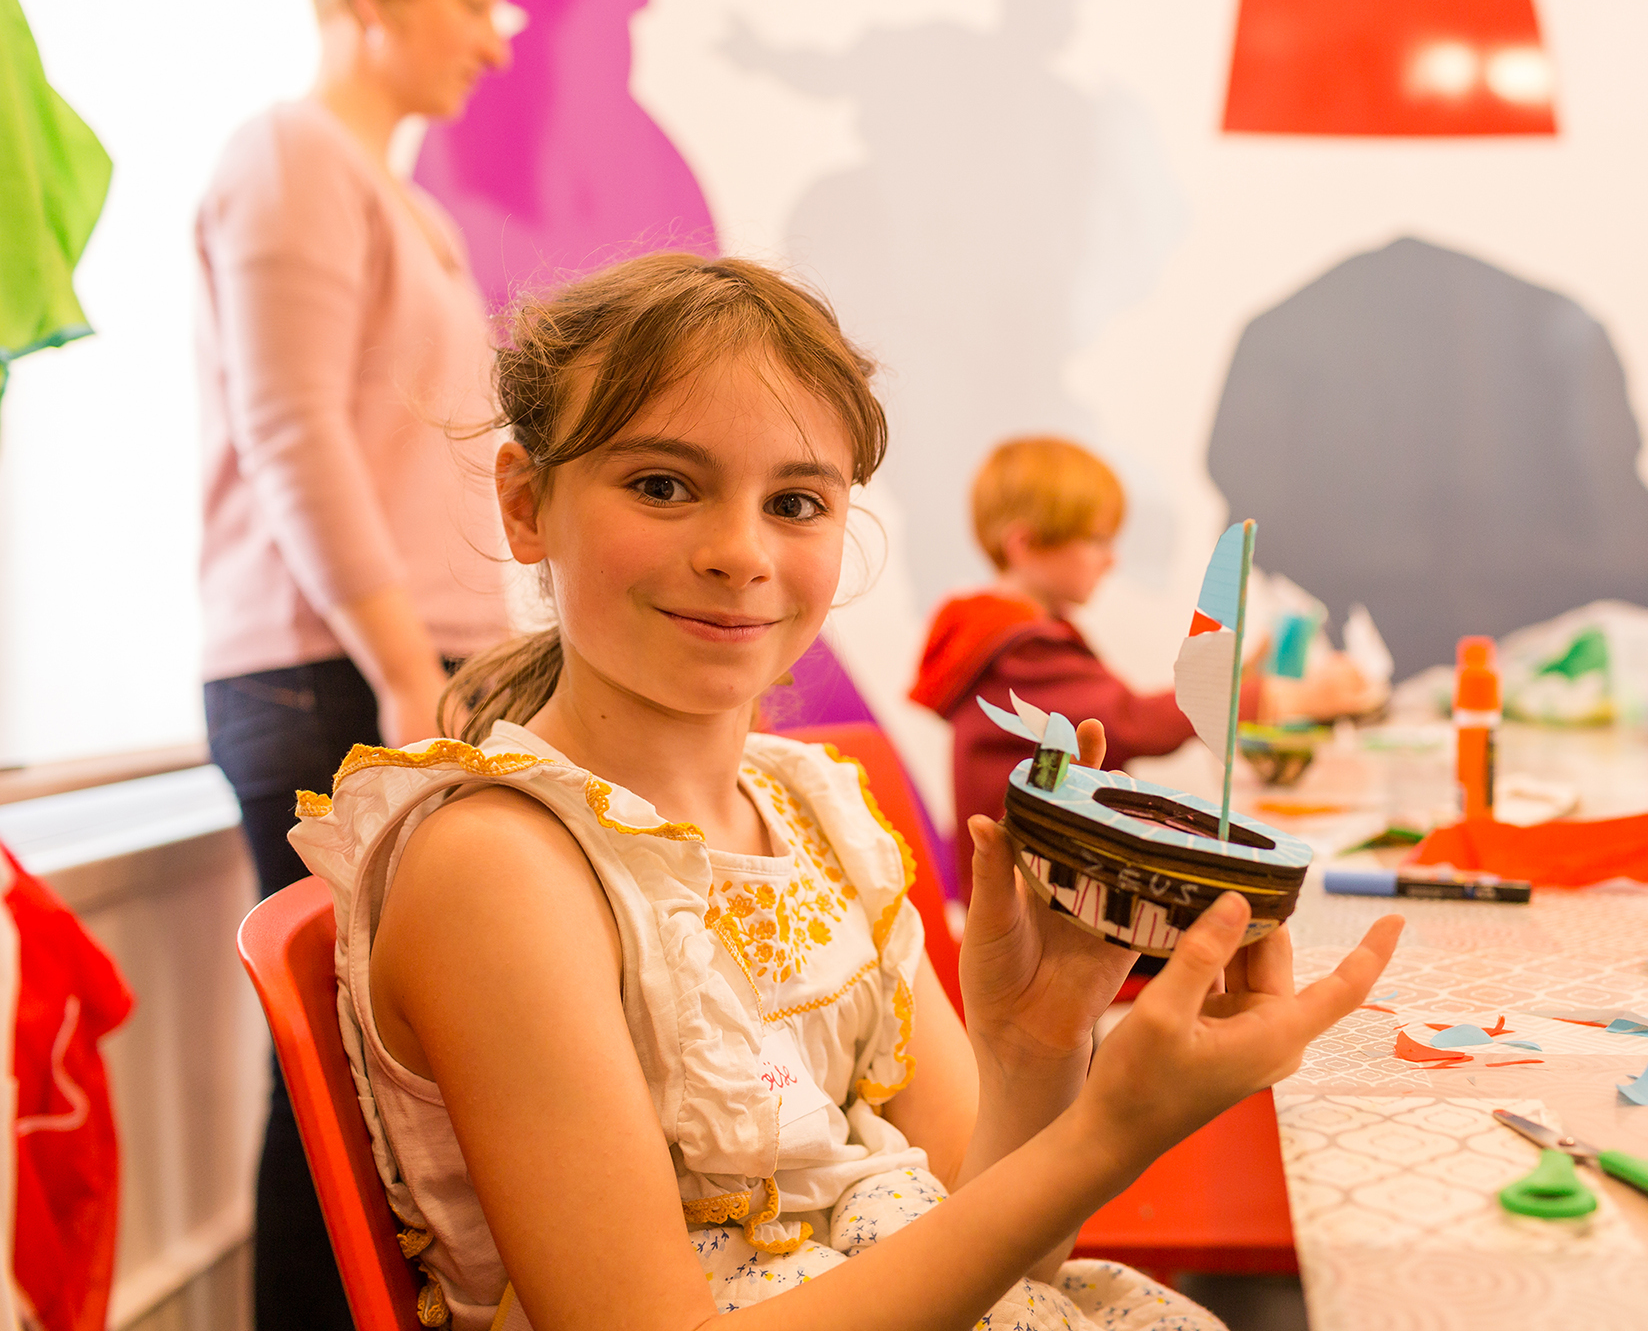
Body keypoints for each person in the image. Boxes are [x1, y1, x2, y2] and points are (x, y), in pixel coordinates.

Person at [289, 253, 1403, 1330]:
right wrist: (1106, 1133)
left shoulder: (817, 812)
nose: (738, 550)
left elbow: (999, 1261)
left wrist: (1037, 1053)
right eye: (661, 484)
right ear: (527, 503)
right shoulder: (499, 866)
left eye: (795, 502)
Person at [194, 0, 515, 1324]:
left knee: (399, 1072)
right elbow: (294, 436)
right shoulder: (290, 157)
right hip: (330, 668)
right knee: (333, 1075)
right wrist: (400, 670)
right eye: (472, 4)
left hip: (404, 661)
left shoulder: (398, 202)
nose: (496, 41)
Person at [910, 436, 1376, 893]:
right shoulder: (1019, 648)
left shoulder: (1012, 635)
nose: (1111, 559)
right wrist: (1296, 697)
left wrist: (1242, 682)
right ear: (1025, 544)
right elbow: (1131, 720)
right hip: (1029, 899)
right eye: (1095, 540)